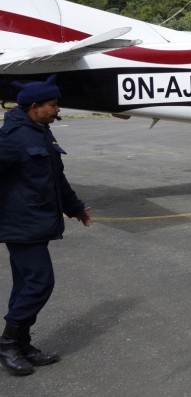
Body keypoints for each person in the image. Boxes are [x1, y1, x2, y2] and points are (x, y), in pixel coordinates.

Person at [0, 76, 92, 376]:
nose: (57, 109)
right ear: (34, 106)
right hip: (20, 223)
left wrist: (75, 208)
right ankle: (8, 343)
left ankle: (22, 343)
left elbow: (56, 177)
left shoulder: (40, 132)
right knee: (40, 282)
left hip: (36, 221)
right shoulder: (13, 137)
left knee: (26, 283)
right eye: (52, 105)